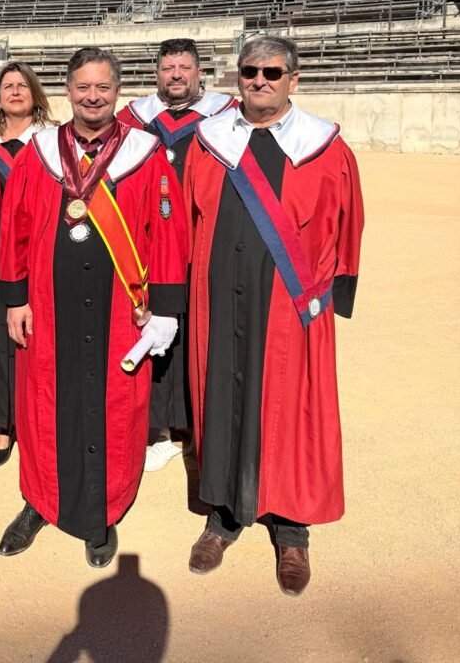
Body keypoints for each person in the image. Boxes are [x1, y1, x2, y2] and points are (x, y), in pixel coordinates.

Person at [184, 35, 364, 596]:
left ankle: (291, 530)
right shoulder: (209, 141)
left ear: (293, 79)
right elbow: (186, 217)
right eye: (249, 71)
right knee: (222, 402)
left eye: (272, 71)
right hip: (217, 301)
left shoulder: (325, 147)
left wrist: (335, 295)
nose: (259, 80)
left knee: (289, 411)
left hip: (290, 308)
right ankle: (225, 516)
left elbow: (348, 223)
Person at [0, 47, 188, 568]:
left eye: (103, 87)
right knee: (42, 406)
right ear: (68, 90)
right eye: (83, 87)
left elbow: (169, 234)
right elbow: (12, 228)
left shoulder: (146, 154)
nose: (93, 97)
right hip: (47, 310)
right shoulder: (38, 153)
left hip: (121, 313)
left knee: (115, 412)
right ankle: (39, 501)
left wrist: (167, 310)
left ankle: (103, 512)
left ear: (117, 91)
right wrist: (15, 299)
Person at [118, 38, 234, 472]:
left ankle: (192, 424)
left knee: (198, 333)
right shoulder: (134, 118)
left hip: (204, 241)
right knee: (151, 326)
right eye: (168, 67)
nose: (177, 75)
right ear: (156, 73)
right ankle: (159, 428)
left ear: (199, 71)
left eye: (185, 66)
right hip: (147, 243)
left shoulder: (226, 116)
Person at [0, 61, 58, 466]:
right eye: (7, 85)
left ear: (35, 92)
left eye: (23, 85)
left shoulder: (55, 140)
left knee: (41, 338)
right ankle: (5, 423)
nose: (15, 91)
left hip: (41, 252)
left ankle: (40, 419)